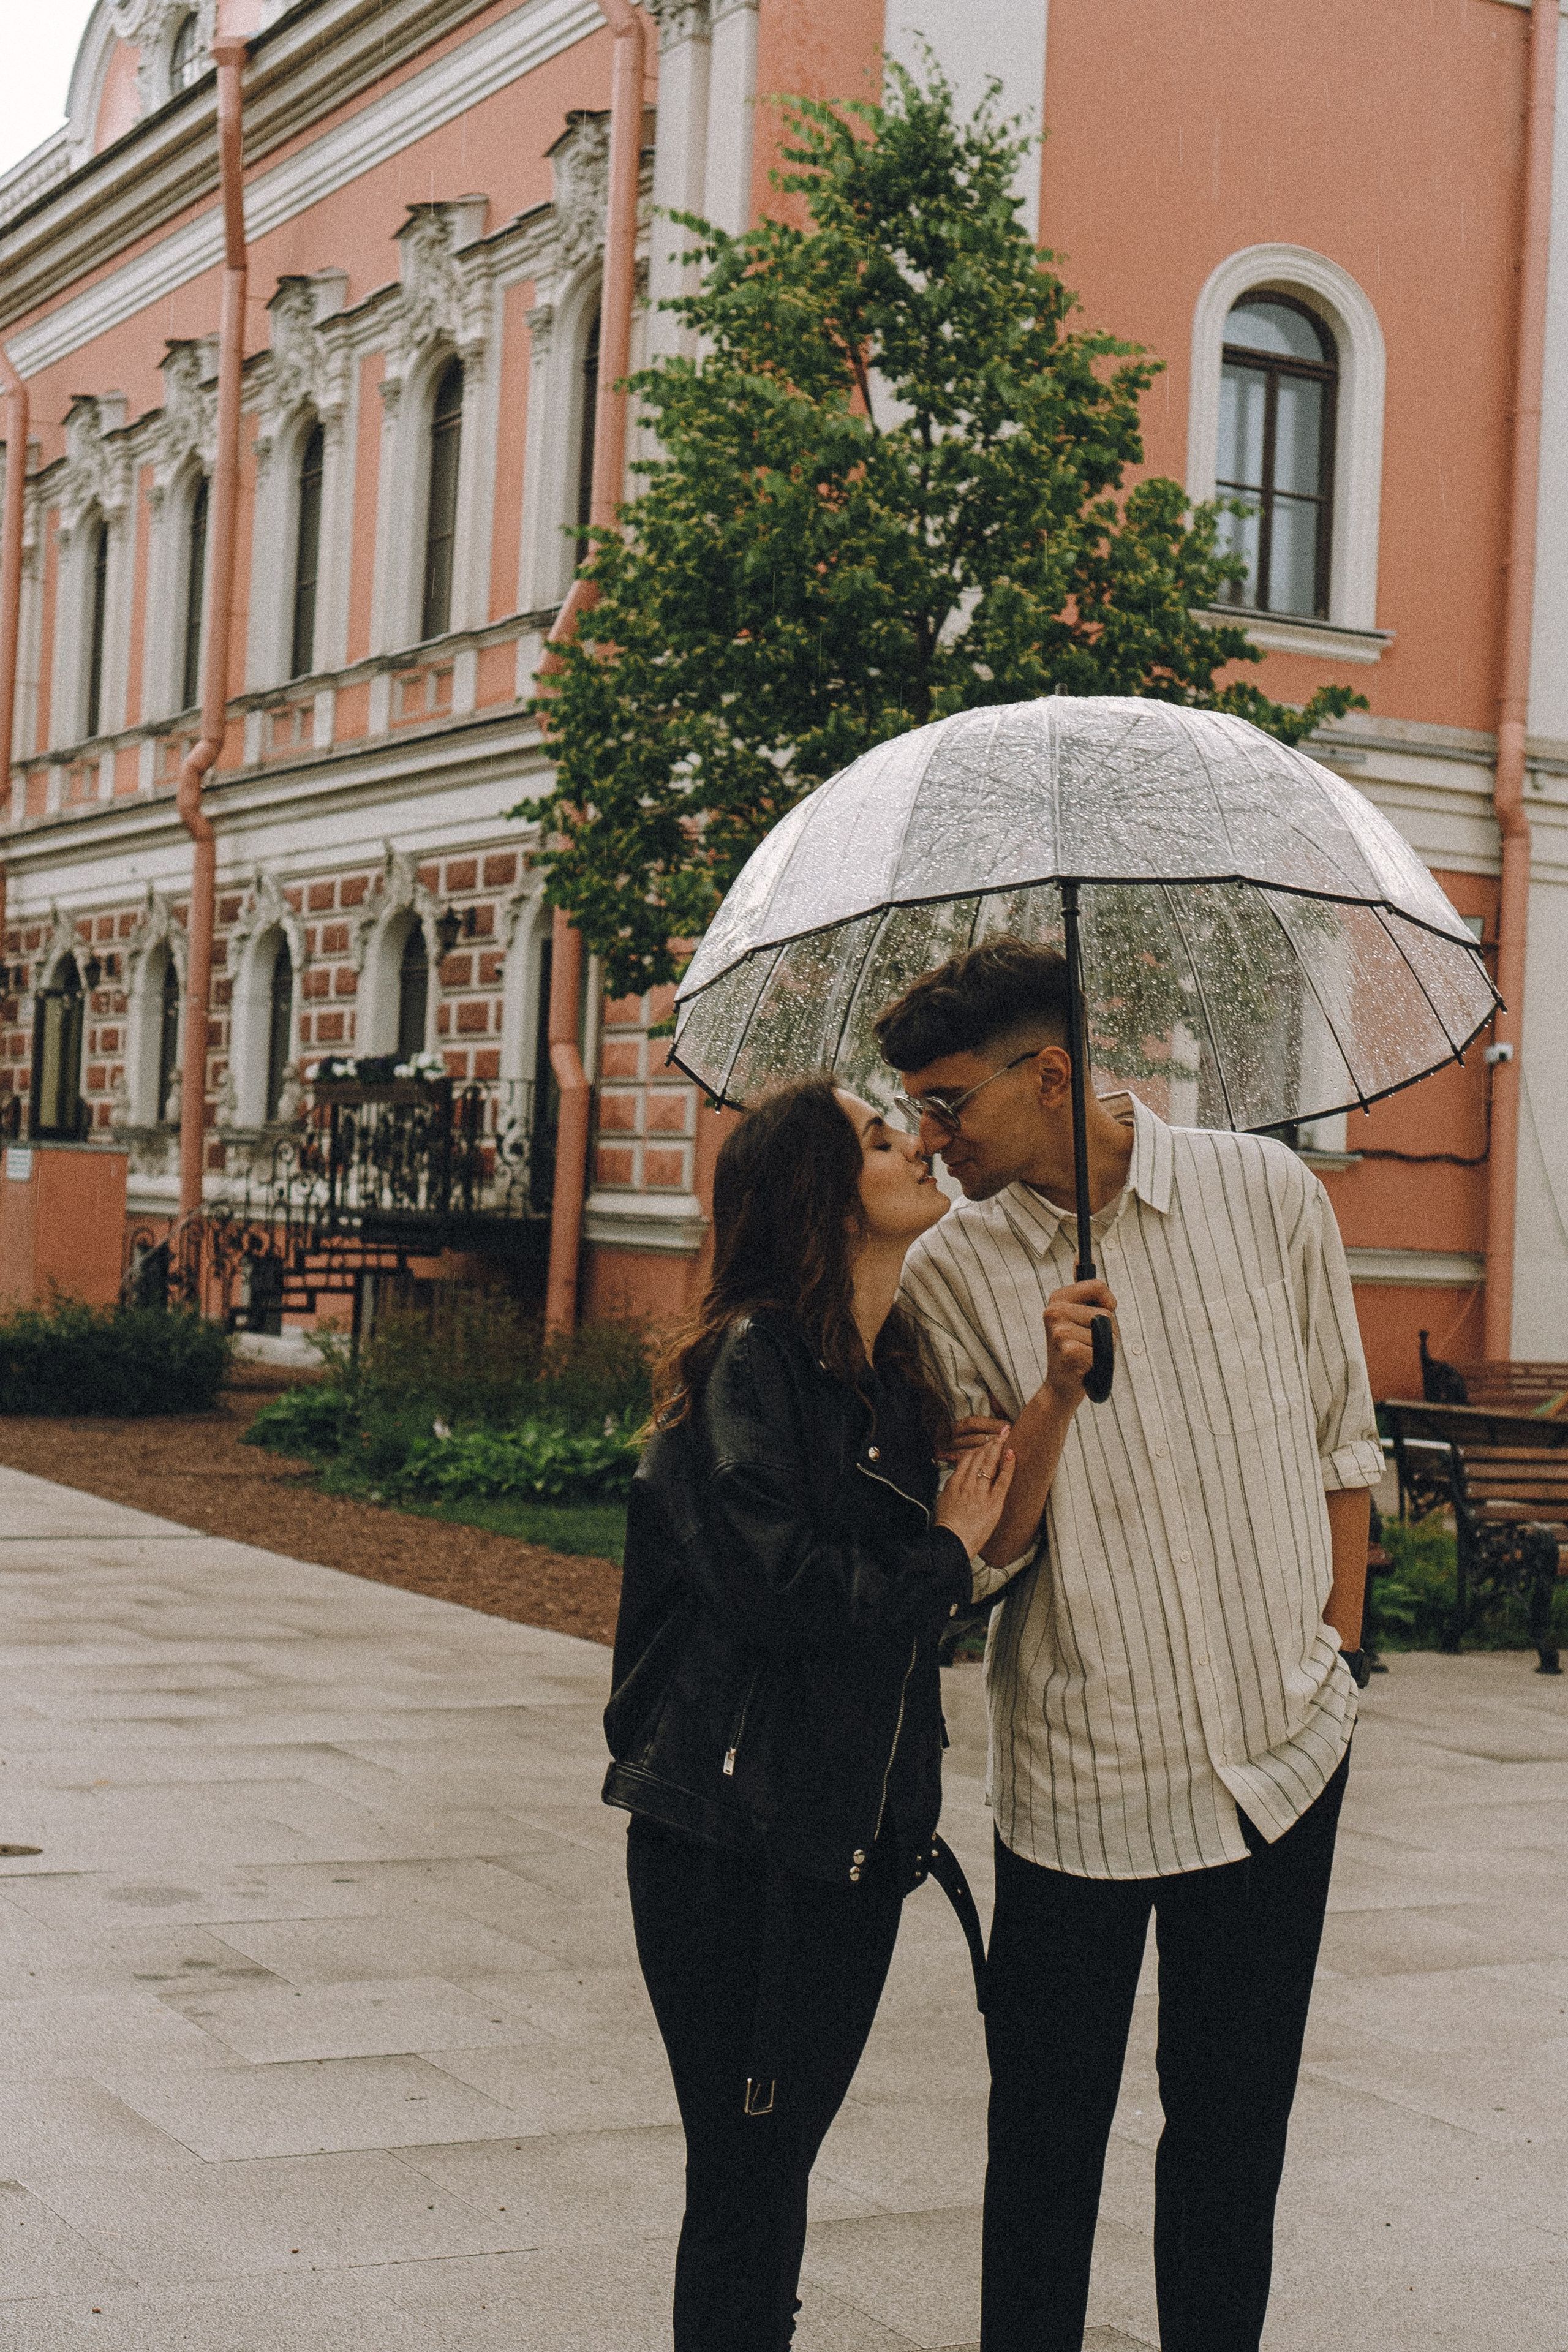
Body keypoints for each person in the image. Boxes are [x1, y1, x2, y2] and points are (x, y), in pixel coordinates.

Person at [876, 937, 1382, 2352]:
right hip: (1082, 1771)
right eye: (909, 1106)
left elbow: (1344, 1439)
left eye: (946, 1102)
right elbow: (987, 1549)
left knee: (1231, 2139)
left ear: (1052, 1075)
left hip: (1279, 1756)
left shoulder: (1263, 1189)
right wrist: (1048, 1388)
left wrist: (1336, 1655)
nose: (929, 1135)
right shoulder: (948, 1271)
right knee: (1041, 2147)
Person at [602, 1077, 1023, 2351]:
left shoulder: (884, 1379)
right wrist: (941, 1551)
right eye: (882, 1139)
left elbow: (881, 1620)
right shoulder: (752, 1361)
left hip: (848, 1835)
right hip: (728, 1839)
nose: (919, 1149)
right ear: (817, 1194)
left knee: (772, 2162)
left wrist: (985, 1456)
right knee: (744, 2171)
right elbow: (773, 1586)